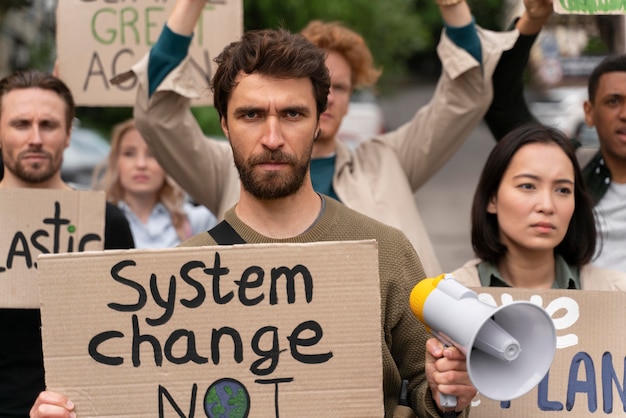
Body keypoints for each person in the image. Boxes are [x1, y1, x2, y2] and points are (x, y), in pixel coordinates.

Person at [30, 13, 476, 418]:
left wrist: (448, 393)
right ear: (224, 124)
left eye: (293, 114)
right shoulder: (178, 276)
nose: (272, 137)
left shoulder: (388, 251)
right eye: (251, 114)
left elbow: (426, 388)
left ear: (321, 120)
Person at [118, 0, 526, 277]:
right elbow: (158, 114)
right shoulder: (227, 167)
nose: (272, 136)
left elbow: (464, 96)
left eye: (340, 90)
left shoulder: (389, 160)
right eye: (256, 113)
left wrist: (453, 6)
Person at [0, 69, 135, 418]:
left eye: (48, 125)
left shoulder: (109, 224)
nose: (35, 138)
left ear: (69, 133)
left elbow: (128, 337)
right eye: (20, 124)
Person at [485, 1, 626, 273]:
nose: (625, 114)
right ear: (589, 112)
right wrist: (532, 21)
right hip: (580, 310)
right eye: (613, 101)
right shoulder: (568, 166)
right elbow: (501, 104)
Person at [450, 123, 626, 290]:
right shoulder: (450, 297)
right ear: (492, 199)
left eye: (563, 190)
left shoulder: (616, 292)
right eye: (528, 186)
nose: (547, 206)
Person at [92, 118, 217, 248]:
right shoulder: (97, 221)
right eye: (129, 153)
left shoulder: (192, 220)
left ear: (167, 163)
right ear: (115, 161)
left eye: (152, 154)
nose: (141, 164)